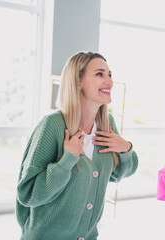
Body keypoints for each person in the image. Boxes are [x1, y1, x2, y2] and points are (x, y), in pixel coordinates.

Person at [16, 52, 138, 240]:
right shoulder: (52, 125)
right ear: (78, 82)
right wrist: (67, 161)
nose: (110, 81)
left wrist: (126, 149)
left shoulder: (107, 124)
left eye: (110, 75)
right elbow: (28, 194)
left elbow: (117, 174)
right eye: (100, 74)